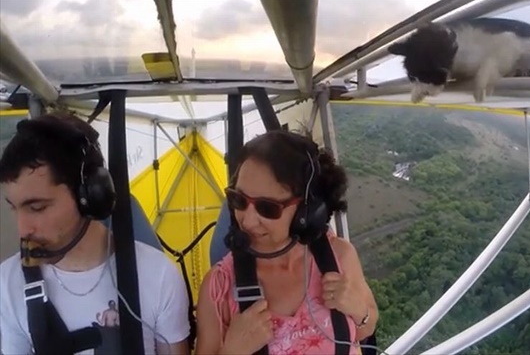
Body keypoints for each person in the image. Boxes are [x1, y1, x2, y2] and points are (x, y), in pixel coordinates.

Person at [0, 111, 191, 354]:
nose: (23, 229)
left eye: (37, 208)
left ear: (91, 196)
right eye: (14, 208)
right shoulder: (7, 283)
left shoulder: (158, 276)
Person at [195, 130, 378, 355]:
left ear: (307, 211)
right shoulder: (218, 288)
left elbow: (366, 328)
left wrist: (358, 309)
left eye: (267, 208)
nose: (248, 221)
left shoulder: (339, 258)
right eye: (238, 200)